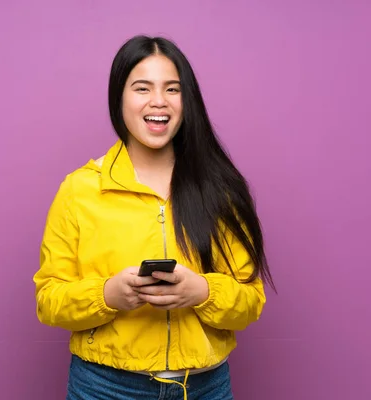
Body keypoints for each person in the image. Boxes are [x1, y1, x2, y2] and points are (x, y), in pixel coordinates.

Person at [33, 35, 275, 400]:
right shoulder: (80, 189)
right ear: (119, 98)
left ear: (186, 100)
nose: (158, 101)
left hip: (205, 387)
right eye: (142, 88)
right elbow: (49, 300)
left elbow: (249, 302)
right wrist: (108, 295)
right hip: (104, 387)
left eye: (172, 89)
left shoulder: (221, 189)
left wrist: (203, 292)